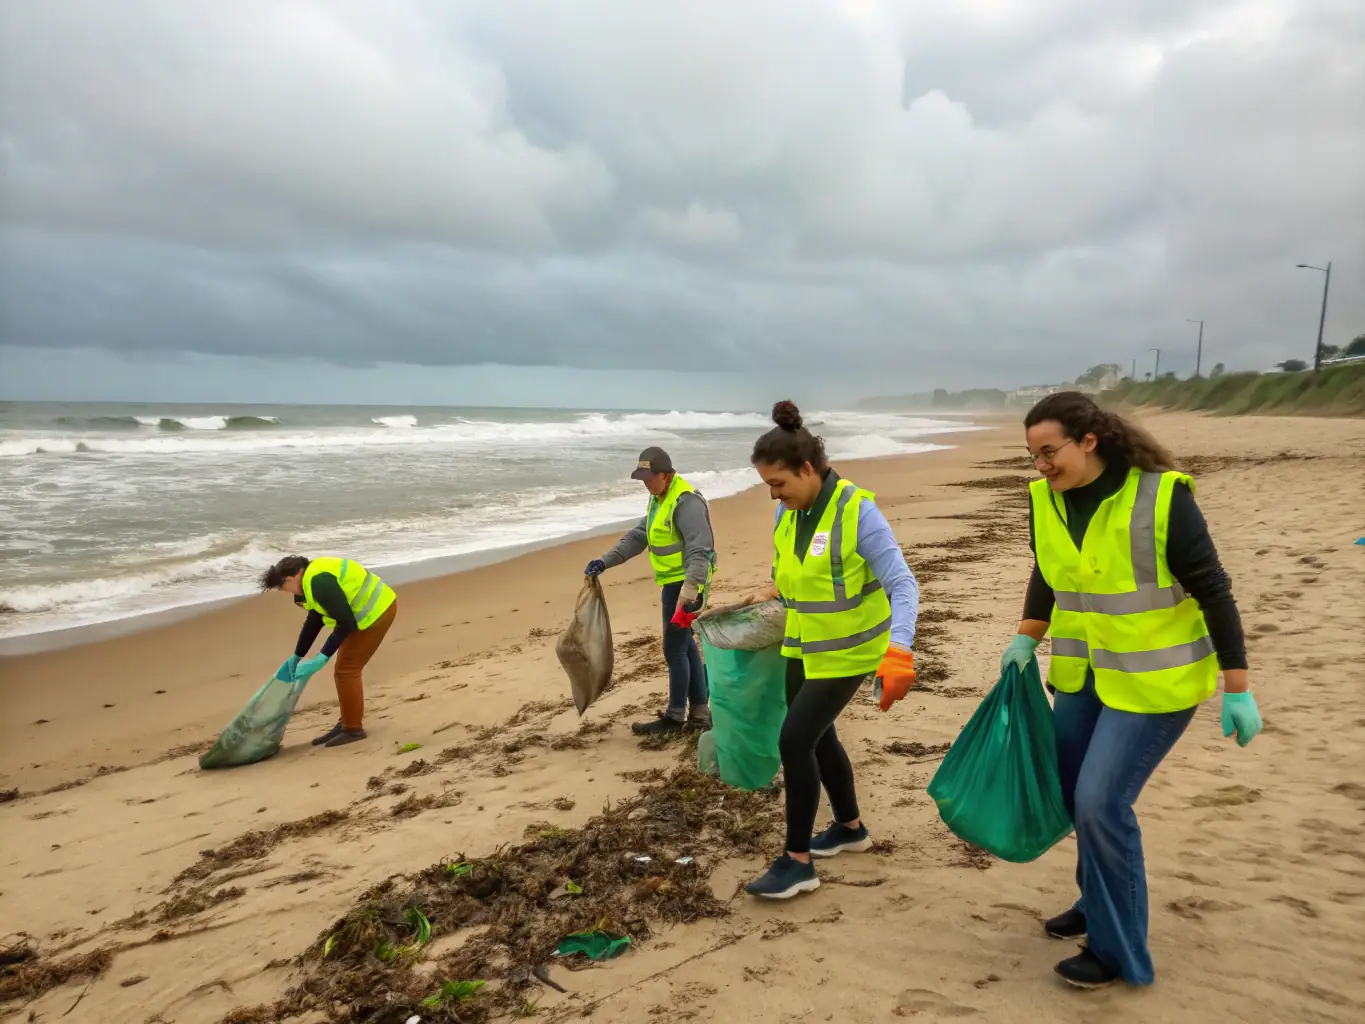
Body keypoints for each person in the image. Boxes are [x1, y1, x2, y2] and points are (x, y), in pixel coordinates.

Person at [1005, 391, 1263, 989]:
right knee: (1073, 796)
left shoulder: (1161, 496)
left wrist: (1238, 686)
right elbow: (1047, 570)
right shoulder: (1044, 499)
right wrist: (1025, 637)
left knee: (1101, 803)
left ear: (1088, 441)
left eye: (1050, 452)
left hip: (1156, 682)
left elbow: (1214, 589)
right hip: (1082, 673)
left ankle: (1116, 951)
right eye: (1033, 456)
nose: (1041, 466)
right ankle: (1096, 903)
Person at [741, 401, 920, 899]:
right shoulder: (788, 511)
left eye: (779, 483)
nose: (774, 495)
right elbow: (793, 571)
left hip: (851, 650)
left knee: (794, 741)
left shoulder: (857, 512)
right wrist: (770, 589)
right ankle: (850, 827)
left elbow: (904, 585)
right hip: (803, 643)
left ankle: (797, 861)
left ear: (806, 468)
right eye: (768, 487)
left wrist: (899, 650)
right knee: (819, 739)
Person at [586, 447, 717, 735]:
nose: (645, 483)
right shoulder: (659, 498)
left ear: (666, 474)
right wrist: (606, 561)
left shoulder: (686, 501)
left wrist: (690, 590)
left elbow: (700, 548)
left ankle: (675, 717)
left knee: (673, 649)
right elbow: (640, 534)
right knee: (685, 644)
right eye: (642, 478)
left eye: (649, 477)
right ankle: (699, 710)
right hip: (673, 582)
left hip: (687, 585)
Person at [259, 554, 398, 747]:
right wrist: (297, 655)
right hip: (359, 616)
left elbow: (346, 622)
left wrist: (321, 657)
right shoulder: (309, 584)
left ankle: (353, 729)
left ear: (295, 575)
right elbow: (314, 620)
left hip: (376, 612)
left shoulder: (319, 582)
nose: (286, 591)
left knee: (346, 670)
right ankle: (347, 722)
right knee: (344, 669)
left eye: (285, 585)